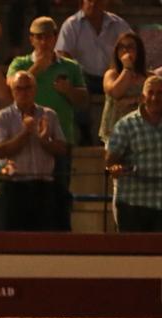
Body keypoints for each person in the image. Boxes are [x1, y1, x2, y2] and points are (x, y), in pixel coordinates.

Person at [8, 18, 84, 225]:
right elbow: (10, 88)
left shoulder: (70, 67)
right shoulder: (20, 63)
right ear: (31, 39)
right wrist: (36, 68)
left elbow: (84, 100)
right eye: (39, 37)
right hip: (24, 138)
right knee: (24, 195)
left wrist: (69, 90)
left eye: (48, 37)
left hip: (59, 139)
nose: (43, 42)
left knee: (60, 195)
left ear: (55, 37)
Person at [0, 69, 70, 231]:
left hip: (44, 186)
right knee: (13, 237)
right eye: (19, 88)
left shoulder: (49, 115)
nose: (24, 92)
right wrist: (26, 133)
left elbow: (62, 149)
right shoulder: (2, 117)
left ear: (35, 90)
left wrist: (44, 140)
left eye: (28, 88)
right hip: (14, 186)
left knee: (45, 237)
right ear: (12, 91)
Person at [56, 0, 131, 139]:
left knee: (120, 86)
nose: (93, 4)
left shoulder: (118, 24)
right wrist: (74, 70)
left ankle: (114, 134)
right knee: (79, 87)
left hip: (111, 74)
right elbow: (62, 54)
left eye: (97, 1)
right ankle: (85, 132)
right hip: (84, 75)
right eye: (89, 0)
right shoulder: (71, 24)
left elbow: (132, 45)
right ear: (82, 2)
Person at [105, 76, 162, 232]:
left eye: (160, 93)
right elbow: (110, 161)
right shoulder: (126, 125)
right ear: (142, 98)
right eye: (151, 93)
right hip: (133, 202)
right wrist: (115, 169)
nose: (155, 98)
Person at [98, 32, 148, 143]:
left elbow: (149, 99)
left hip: (141, 131)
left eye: (130, 47)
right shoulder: (111, 75)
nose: (125, 50)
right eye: (121, 47)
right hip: (115, 131)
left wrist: (130, 100)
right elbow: (116, 93)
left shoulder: (148, 77)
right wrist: (127, 68)